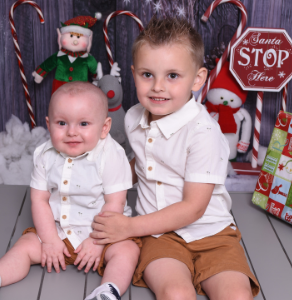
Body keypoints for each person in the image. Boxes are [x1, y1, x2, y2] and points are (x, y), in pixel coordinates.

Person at [91, 17, 260, 300]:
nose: (158, 86)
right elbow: (141, 163)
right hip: (159, 235)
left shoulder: (203, 132)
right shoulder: (134, 117)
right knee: (175, 293)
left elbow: (193, 208)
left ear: (197, 79)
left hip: (212, 233)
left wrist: (128, 227)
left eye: (172, 76)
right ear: (133, 74)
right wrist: (102, 186)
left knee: (236, 295)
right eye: (147, 74)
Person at [0, 82, 140, 300]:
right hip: (59, 232)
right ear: (49, 124)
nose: (72, 132)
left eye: (84, 124)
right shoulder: (45, 155)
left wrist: (96, 242)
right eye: (62, 123)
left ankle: (108, 291)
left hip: (103, 236)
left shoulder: (111, 155)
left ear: (104, 127)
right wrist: (49, 240)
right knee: (26, 245)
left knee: (127, 251)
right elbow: (40, 200)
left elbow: (115, 204)